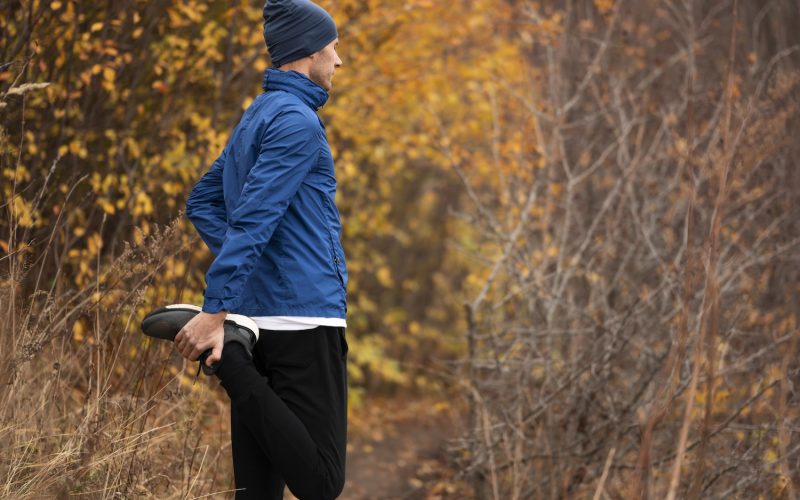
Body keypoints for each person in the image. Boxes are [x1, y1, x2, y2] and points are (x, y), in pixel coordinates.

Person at [177, 1, 348, 498]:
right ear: (308, 51)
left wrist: (249, 283)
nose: (338, 60)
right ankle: (230, 360)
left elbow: (203, 202)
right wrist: (216, 313)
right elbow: (252, 221)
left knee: (257, 491)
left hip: (260, 320)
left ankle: (235, 353)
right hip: (304, 319)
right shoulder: (297, 122)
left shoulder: (258, 115)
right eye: (333, 47)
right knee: (321, 481)